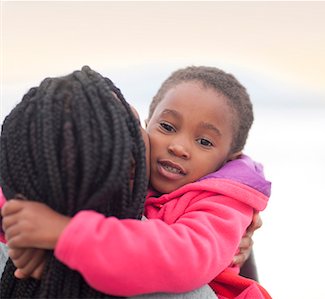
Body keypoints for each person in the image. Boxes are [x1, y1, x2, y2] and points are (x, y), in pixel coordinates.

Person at [2, 66, 271, 298]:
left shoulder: (222, 202)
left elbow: (181, 258)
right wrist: (22, 224)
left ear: (227, 160)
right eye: (167, 127)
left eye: (204, 142)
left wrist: (63, 233)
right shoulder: (135, 174)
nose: (178, 147)